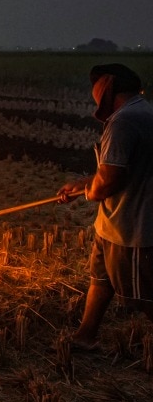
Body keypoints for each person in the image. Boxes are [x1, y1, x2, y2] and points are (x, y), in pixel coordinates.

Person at [58, 63, 153, 348]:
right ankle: (85, 336)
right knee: (101, 280)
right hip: (111, 224)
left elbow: (109, 182)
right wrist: (81, 184)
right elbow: (120, 168)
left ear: (107, 91)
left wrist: (90, 191)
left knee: (145, 295)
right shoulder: (144, 111)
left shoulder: (123, 121)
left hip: (132, 225)